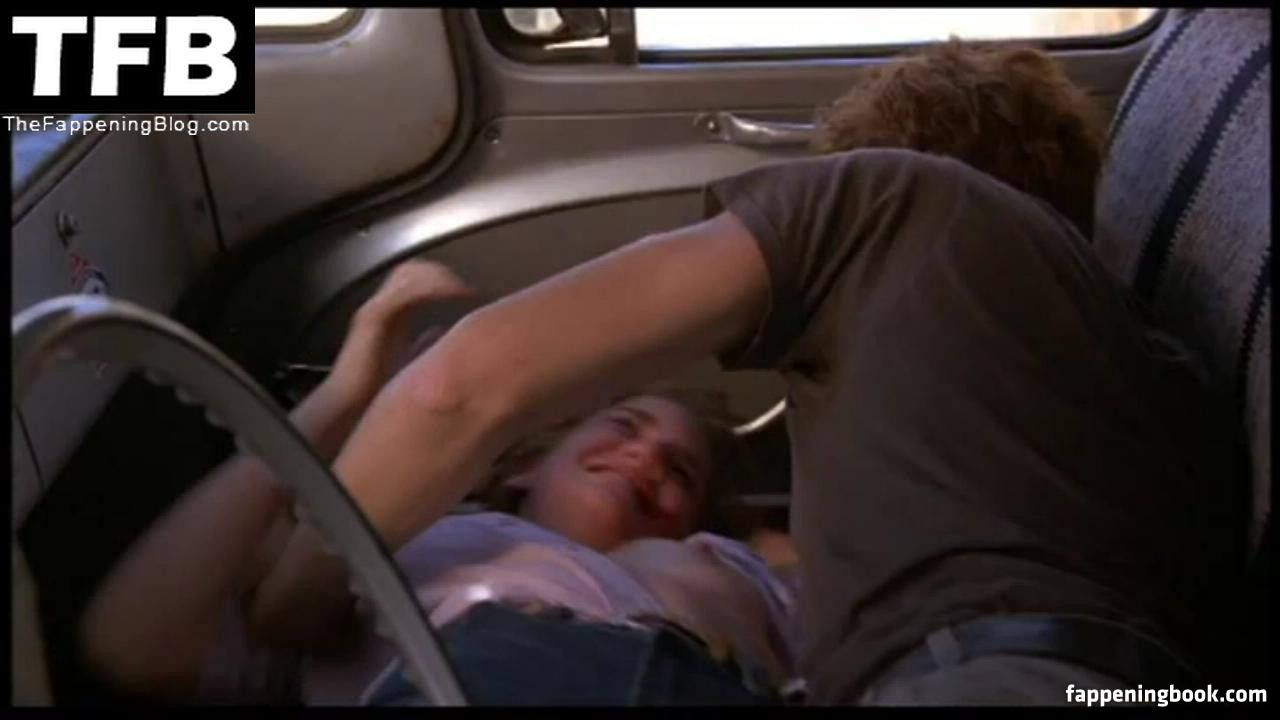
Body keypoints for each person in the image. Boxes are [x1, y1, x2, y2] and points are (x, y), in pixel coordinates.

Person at [79, 260, 800, 706]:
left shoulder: (721, 561)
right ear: (526, 463)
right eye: (625, 427)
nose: (647, 459)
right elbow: (130, 646)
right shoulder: (398, 546)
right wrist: (345, 397)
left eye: (681, 472)